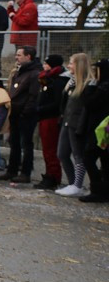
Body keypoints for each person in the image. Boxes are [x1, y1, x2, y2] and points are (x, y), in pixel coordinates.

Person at [56, 53, 93, 197]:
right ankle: (72, 182)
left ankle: (78, 184)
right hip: (67, 120)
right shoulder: (71, 82)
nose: (69, 65)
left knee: (78, 154)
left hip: (76, 123)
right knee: (62, 153)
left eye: (71, 63)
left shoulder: (87, 83)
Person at [5, 45, 42, 184]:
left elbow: (33, 96)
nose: (16, 57)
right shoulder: (19, 71)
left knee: (26, 143)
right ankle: (12, 170)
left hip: (25, 115)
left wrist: (25, 112)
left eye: (19, 55)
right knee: (13, 142)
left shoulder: (34, 73)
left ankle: (26, 172)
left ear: (28, 56)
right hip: (14, 112)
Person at [78, 58, 109, 203]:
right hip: (98, 128)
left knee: (89, 157)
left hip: (101, 129)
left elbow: (89, 103)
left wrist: (91, 86)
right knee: (104, 159)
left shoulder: (103, 87)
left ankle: (98, 189)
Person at [34, 54, 67, 191]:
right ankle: (49, 174)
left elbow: (56, 102)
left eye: (47, 64)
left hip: (51, 117)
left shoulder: (59, 81)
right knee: (46, 149)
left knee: (51, 149)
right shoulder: (47, 79)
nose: (44, 66)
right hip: (44, 117)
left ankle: (54, 176)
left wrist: (40, 108)